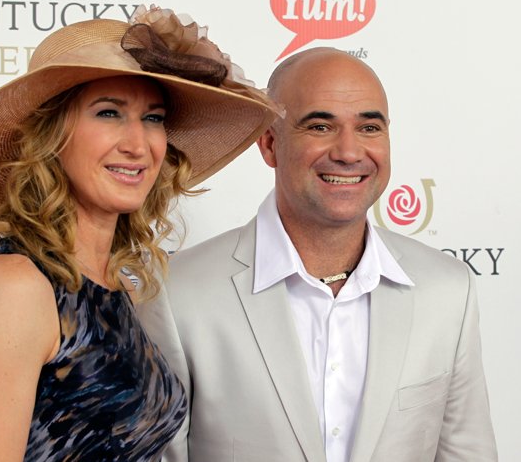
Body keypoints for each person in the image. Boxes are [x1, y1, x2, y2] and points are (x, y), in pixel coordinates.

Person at [0, 6, 277, 462]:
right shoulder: (14, 288)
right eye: (109, 113)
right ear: (51, 136)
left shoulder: (120, 283)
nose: (138, 145)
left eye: (153, 118)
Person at [138, 48, 498, 462]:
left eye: (369, 127)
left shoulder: (448, 289)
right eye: (320, 126)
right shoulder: (177, 293)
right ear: (269, 144)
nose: (349, 152)